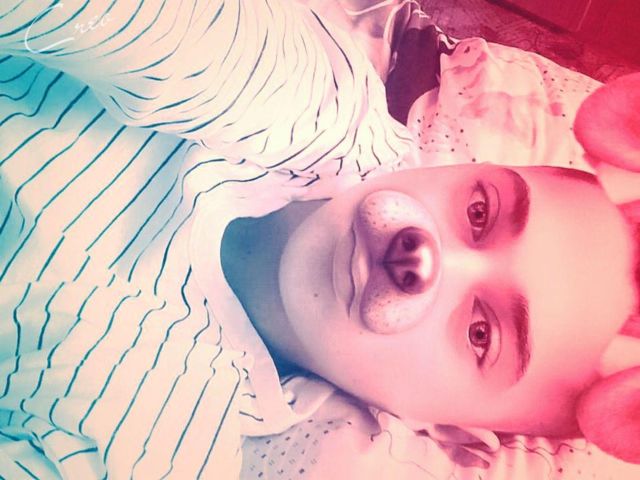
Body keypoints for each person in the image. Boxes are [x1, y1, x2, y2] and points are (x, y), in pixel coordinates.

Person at [0, 1, 638, 479]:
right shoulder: (317, 108)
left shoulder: (154, 442)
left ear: (450, 432)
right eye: (478, 211)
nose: (421, 257)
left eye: (480, 333)